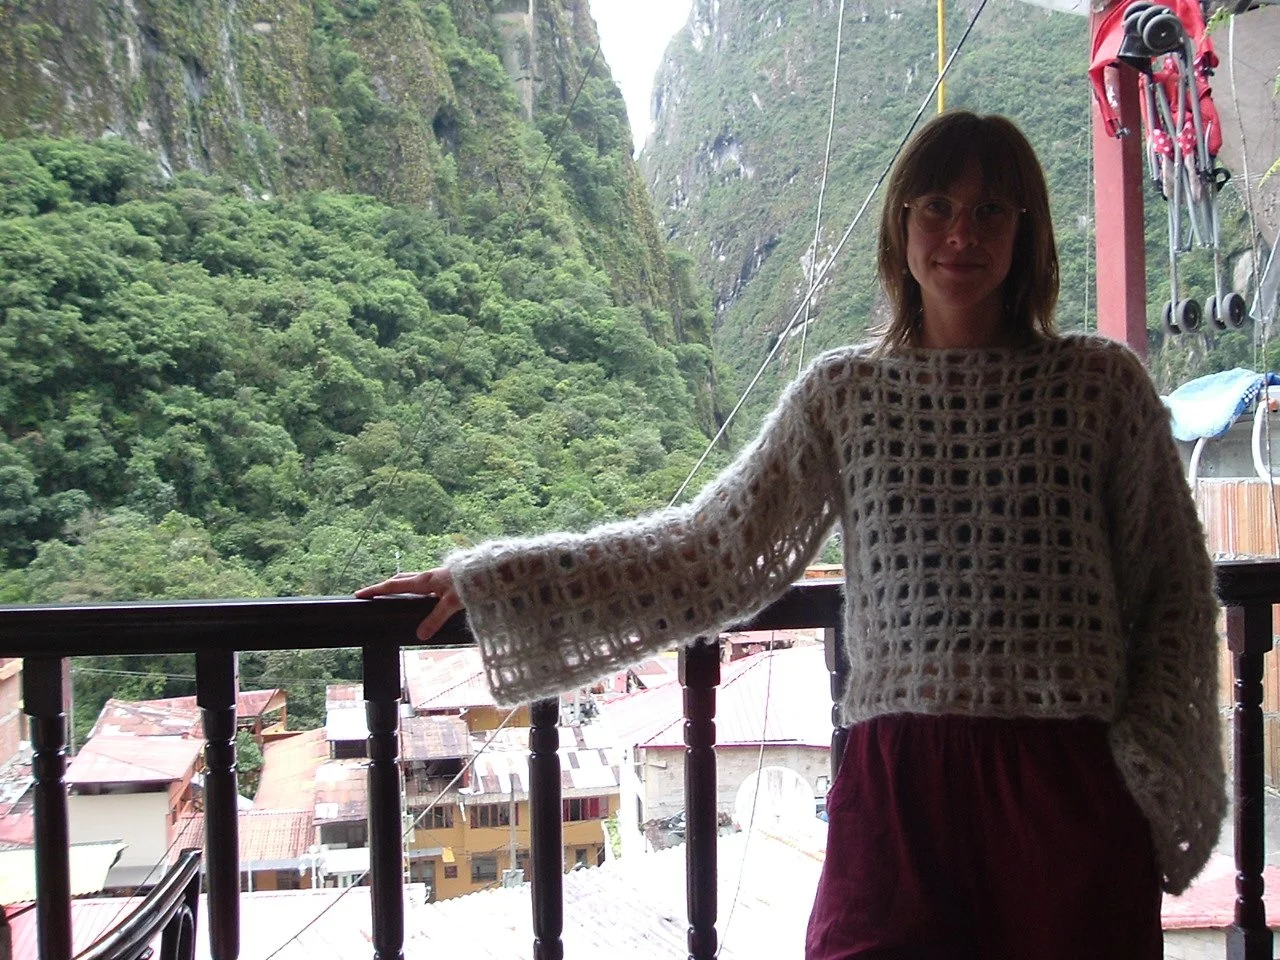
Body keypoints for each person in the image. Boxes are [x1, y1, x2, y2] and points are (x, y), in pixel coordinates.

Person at [358, 111, 1224, 958]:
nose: (962, 233)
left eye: (991, 209)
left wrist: (1140, 774)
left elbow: (1175, 595)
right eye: (937, 207)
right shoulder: (845, 396)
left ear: (1025, 231)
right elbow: (714, 551)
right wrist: (496, 582)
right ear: (901, 225)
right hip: (899, 793)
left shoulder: (1099, 387)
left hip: (1066, 794)